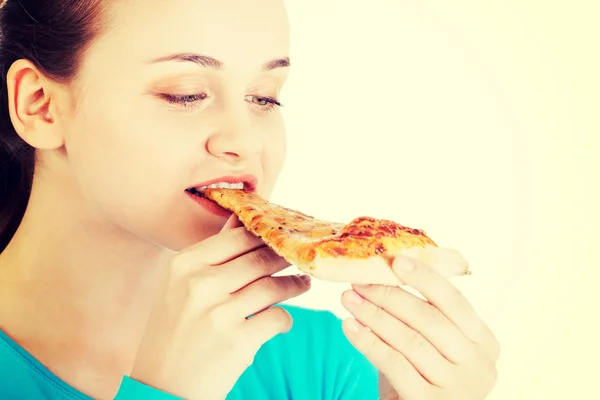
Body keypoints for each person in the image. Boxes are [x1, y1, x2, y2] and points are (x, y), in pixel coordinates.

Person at [0, 0, 500, 399]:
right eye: (186, 93)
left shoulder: (329, 360)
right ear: (39, 105)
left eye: (264, 96)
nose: (246, 140)